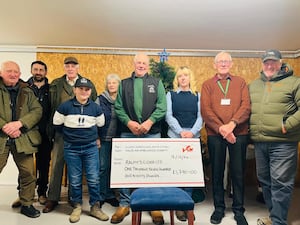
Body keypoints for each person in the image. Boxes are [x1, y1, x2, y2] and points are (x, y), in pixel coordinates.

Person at [112, 53, 167, 225]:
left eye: (144, 63)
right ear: (134, 64)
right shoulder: (124, 84)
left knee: (152, 167)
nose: (141, 65)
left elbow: (162, 106)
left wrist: (150, 122)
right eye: (138, 62)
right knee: (126, 168)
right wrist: (129, 123)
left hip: (152, 132)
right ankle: (124, 203)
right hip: (128, 132)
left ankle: (153, 204)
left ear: (148, 65)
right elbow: (118, 107)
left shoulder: (156, 83)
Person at [249, 49, 300, 225]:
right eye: (266, 62)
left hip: (283, 143)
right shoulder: (254, 85)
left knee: (281, 183)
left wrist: (287, 125)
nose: (270, 66)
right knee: (265, 182)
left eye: (273, 62)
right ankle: (274, 216)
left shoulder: (294, 82)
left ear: (281, 63)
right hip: (260, 142)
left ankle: (278, 221)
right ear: (262, 64)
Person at [201, 51, 250, 225]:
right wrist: (222, 129)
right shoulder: (207, 85)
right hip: (216, 134)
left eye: (226, 61)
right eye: (220, 61)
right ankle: (219, 208)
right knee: (217, 171)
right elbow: (206, 110)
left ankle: (238, 210)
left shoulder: (240, 82)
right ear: (214, 65)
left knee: (238, 172)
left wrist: (232, 125)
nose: (223, 63)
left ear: (231, 64)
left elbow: (246, 106)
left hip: (239, 134)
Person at [43, 56, 97, 213]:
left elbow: (93, 105)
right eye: (68, 65)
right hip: (61, 132)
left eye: (73, 65)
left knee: (77, 168)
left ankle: (75, 200)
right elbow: (50, 107)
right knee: (57, 166)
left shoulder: (87, 83)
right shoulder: (56, 84)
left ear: (78, 67)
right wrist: (51, 129)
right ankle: (52, 198)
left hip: (83, 134)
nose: (70, 68)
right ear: (65, 68)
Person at [53, 77, 108, 223]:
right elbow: (57, 125)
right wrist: (70, 136)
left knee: (93, 178)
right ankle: (76, 206)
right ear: (75, 90)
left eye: (87, 89)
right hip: (71, 148)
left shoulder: (96, 108)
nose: (84, 92)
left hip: (91, 148)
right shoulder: (64, 107)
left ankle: (95, 206)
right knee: (75, 179)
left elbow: (101, 126)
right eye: (81, 89)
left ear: (90, 92)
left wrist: (98, 139)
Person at [0, 61, 42, 218]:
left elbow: (37, 110)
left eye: (16, 72)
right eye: (9, 71)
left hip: (22, 138)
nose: (13, 74)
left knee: (29, 174)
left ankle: (27, 204)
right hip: (1, 137)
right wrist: (5, 126)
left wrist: (19, 124)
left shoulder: (27, 90)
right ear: (1, 72)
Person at [11, 60, 51, 207]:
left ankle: (41, 193)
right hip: (25, 132)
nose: (38, 72)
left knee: (43, 164)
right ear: (31, 70)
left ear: (45, 72)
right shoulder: (23, 87)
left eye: (41, 69)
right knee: (24, 165)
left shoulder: (51, 89)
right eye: (35, 69)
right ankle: (23, 195)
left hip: (45, 133)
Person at [165, 66, 202, 221]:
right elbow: (168, 115)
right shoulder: (171, 94)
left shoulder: (197, 95)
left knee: (190, 172)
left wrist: (192, 133)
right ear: (177, 79)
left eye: (186, 75)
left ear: (190, 77)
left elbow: (201, 116)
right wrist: (180, 132)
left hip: (192, 138)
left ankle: (187, 203)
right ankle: (177, 205)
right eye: (180, 76)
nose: (183, 78)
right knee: (176, 171)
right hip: (175, 137)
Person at [95, 74, 121, 207]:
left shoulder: (123, 100)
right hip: (103, 139)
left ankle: (111, 195)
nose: (111, 85)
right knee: (103, 167)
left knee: (114, 168)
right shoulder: (100, 99)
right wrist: (96, 137)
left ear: (118, 85)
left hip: (119, 140)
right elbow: (93, 118)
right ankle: (101, 195)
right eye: (109, 83)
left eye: (114, 83)